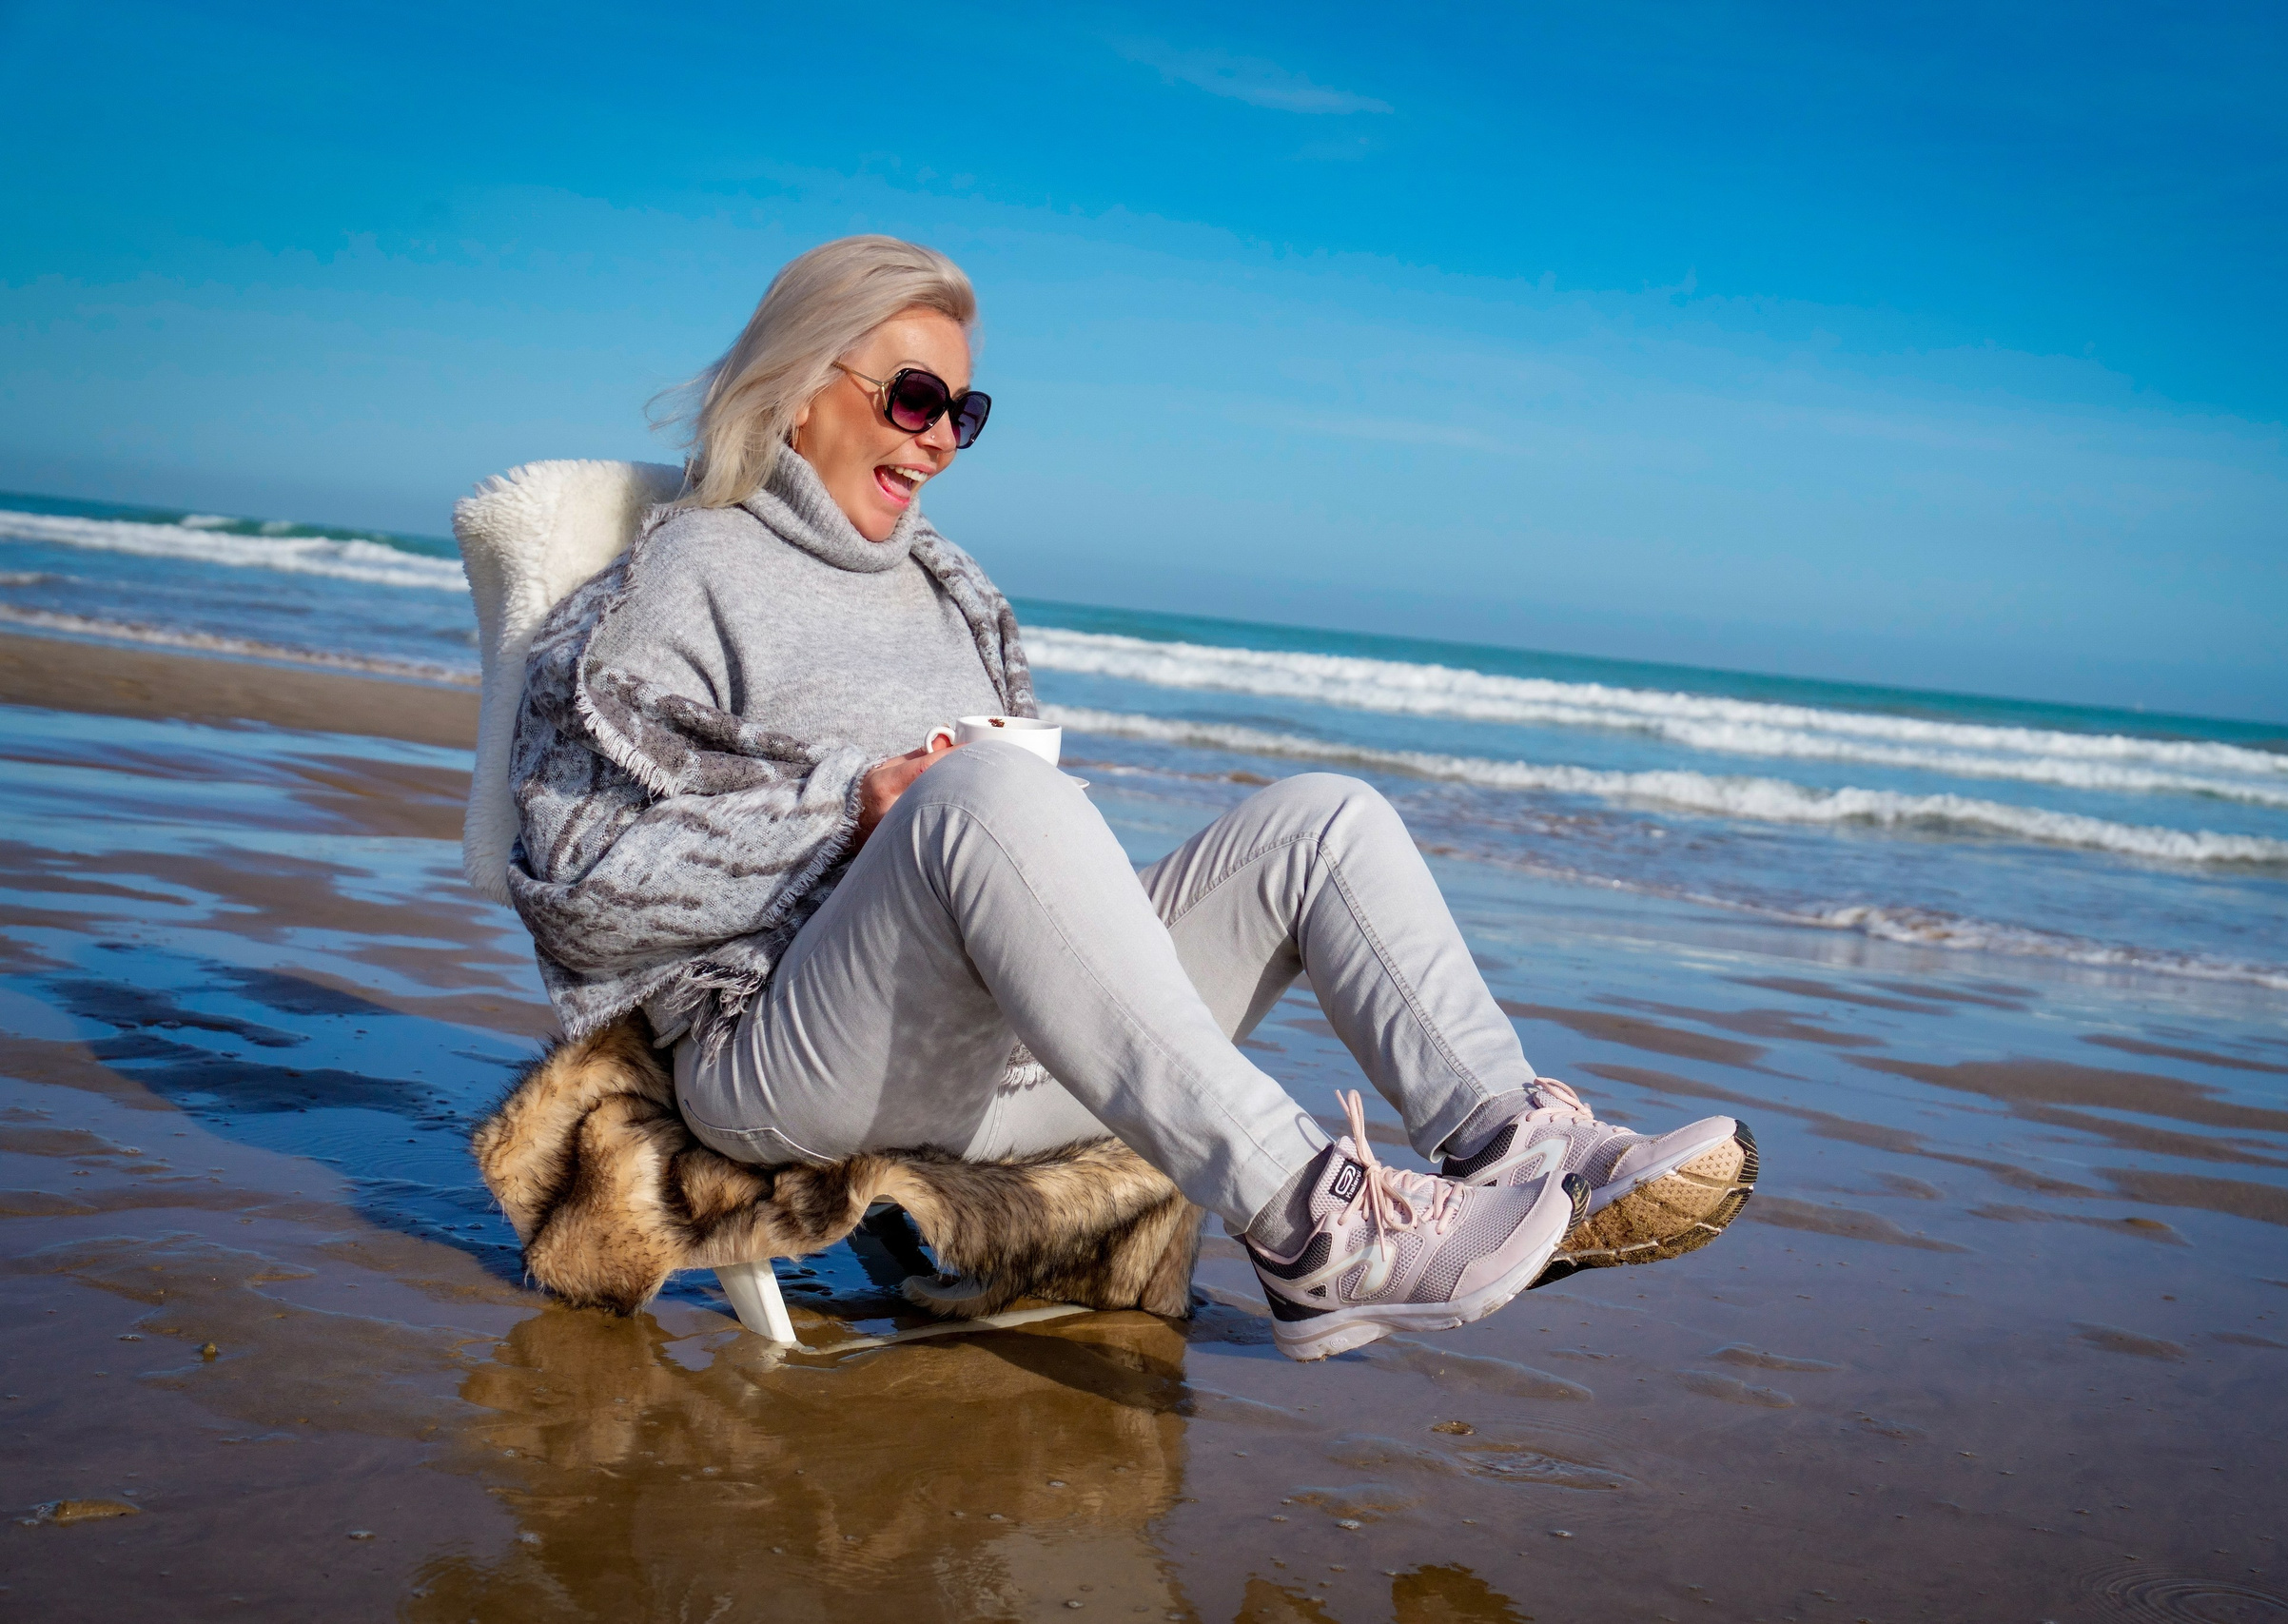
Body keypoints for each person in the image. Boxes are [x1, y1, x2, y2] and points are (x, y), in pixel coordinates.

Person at [504, 235, 1753, 1361]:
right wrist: (853, 805)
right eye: (913, 396)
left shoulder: (954, 591)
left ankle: (1517, 1149)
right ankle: (1313, 1226)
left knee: (1325, 820)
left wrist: (975, 826)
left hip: (993, 1060)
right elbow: (581, 874)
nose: (940, 436)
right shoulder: (684, 575)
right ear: (792, 387)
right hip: (773, 1052)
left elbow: (1000, 843)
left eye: (965, 410)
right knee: (981, 792)